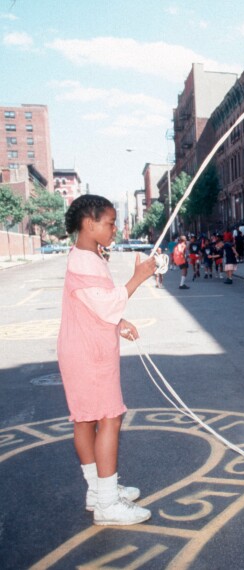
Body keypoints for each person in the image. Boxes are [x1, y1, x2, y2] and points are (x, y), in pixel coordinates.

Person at [57, 195, 156, 525]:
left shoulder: (87, 256)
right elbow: (107, 302)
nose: (115, 228)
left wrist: (117, 321)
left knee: (85, 419)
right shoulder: (85, 260)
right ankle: (108, 503)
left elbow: (94, 305)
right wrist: (139, 276)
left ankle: (98, 491)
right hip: (90, 355)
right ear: (89, 223)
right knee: (110, 419)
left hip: (83, 349)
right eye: (110, 223)